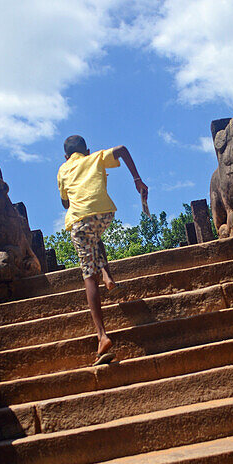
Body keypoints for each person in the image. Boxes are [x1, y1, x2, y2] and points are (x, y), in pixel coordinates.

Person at [58, 135, 148, 365]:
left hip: (79, 219)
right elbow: (123, 148)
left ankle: (102, 336)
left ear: (66, 156)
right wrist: (137, 180)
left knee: (89, 275)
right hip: (105, 214)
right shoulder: (95, 157)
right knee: (94, 235)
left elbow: (65, 203)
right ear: (86, 150)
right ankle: (107, 275)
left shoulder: (63, 169)